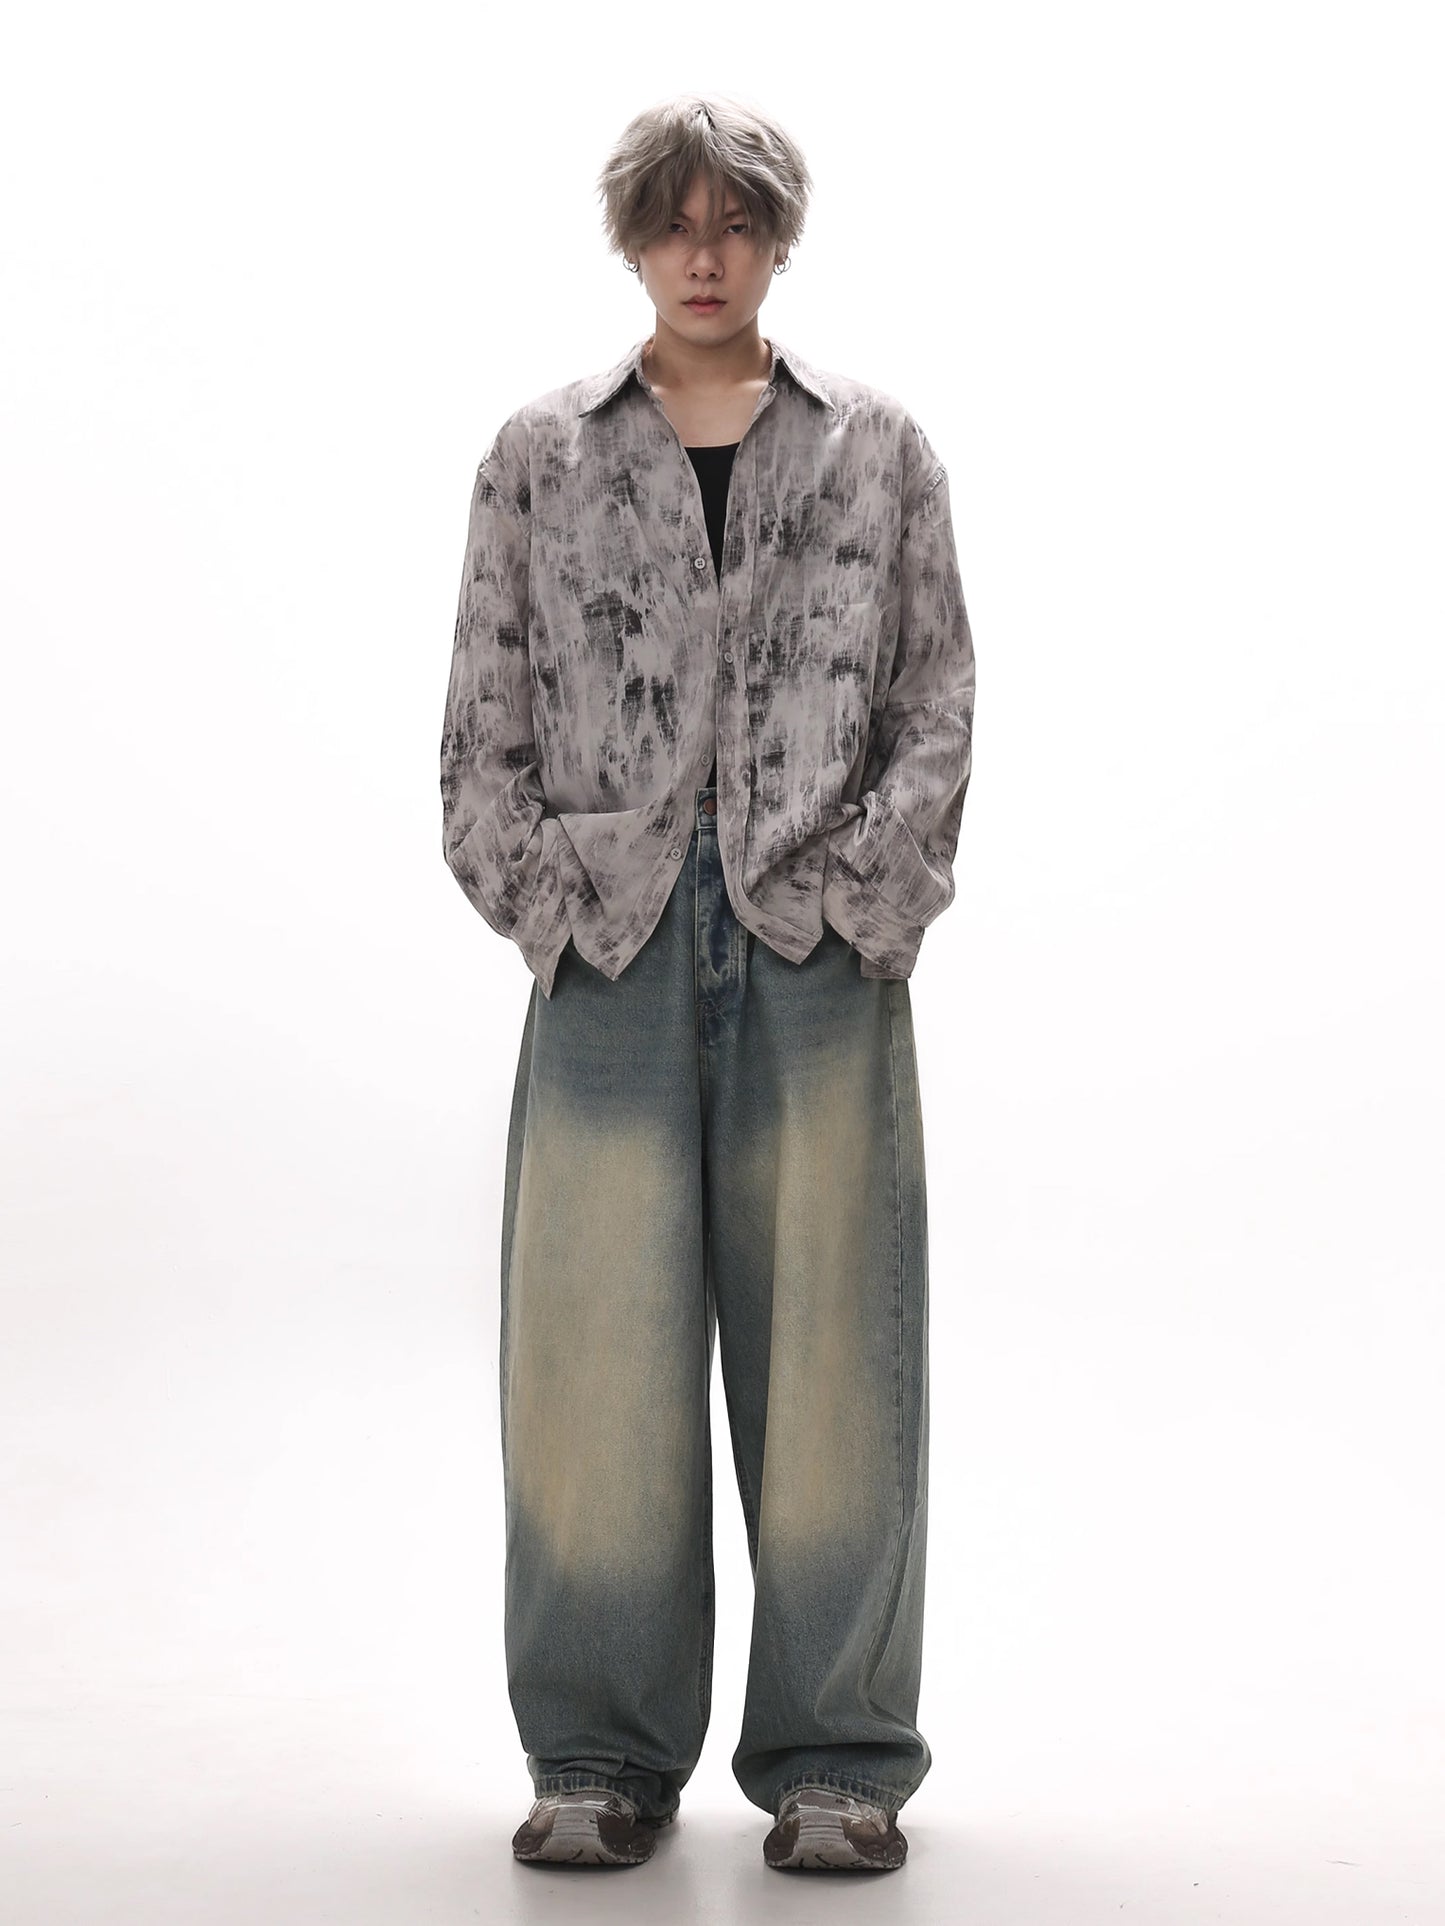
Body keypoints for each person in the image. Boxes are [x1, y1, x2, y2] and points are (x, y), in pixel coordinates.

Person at [439, 92, 976, 1875]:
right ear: (631, 239)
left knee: (836, 1360)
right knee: (592, 1361)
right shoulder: (540, 454)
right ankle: (598, 1751)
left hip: (815, 944)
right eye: (673, 223)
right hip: (610, 943)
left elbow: (935, 700)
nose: (702, 254)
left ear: (775, 239)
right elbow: (480, 727)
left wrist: (859, 903)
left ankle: (836, 1760)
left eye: (734, 223)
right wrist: (557, 906)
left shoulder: (876, 449)